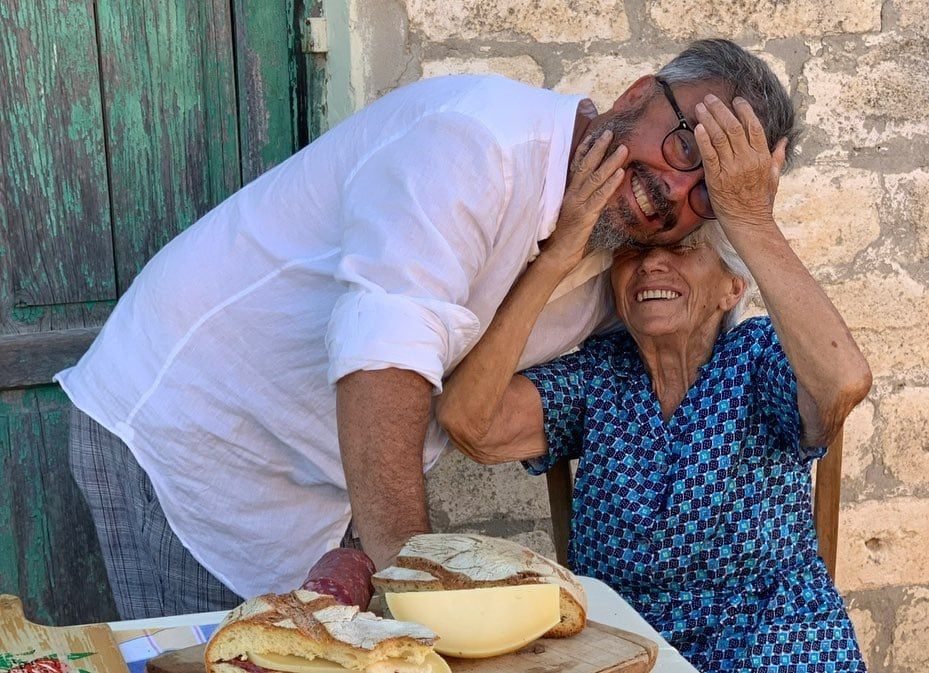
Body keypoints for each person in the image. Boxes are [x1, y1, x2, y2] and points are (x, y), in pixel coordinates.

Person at [57, 39, 796, 618]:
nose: (672, 189)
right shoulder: (472, 143)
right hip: (189, 429)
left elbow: (800, 387)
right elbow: (386, 348)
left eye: (709, 192)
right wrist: (413, 575)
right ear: (636, 96)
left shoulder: (626, 255)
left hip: (325, 483)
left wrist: (751, 218)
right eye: (683, 149)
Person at [435, 79, 871, 671]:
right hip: (628, 652)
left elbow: (841, 383)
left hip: (772, 646)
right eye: (634, 254)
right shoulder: (598, 378)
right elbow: (467, 421)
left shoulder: (760, 358)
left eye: (686, 249)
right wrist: (562, 251)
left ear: (731, 286)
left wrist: (749, 218)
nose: (652, 264)